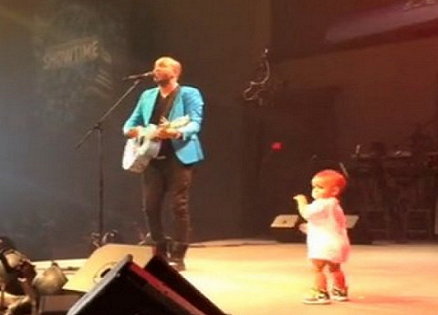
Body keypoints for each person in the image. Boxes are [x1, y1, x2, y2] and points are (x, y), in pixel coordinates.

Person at [123, 56, 205, 271]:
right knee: (150, 207)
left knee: (178, 205)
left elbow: (195, 123)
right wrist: (141, 131)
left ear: (175, 72)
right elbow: (128, 125)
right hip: (152, 159)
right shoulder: (147, 95)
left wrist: (176, 132)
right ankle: (159, 249)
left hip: (179, 157)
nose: (155, 70)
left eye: (161, 66)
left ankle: (178, 255)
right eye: (155, 66)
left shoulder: (189, 93)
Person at [293, 169, 350, 304]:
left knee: (317, 269)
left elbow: (306, 213)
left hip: (324, 244)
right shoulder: (335, 205)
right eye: (314, 187)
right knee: (335, 268)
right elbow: (330, 224)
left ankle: (320, 292)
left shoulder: (322, 203)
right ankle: (340, 290)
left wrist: (302, 201)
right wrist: (308, 228)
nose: (315, 191)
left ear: (334, 191)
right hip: (338, 242)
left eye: (320, 187)